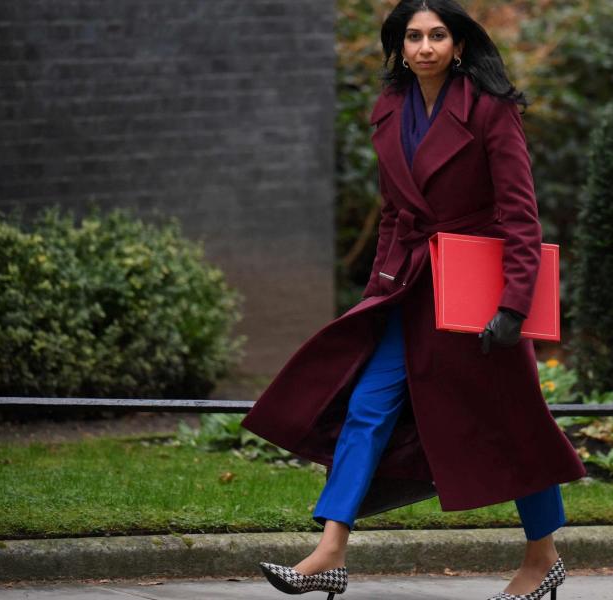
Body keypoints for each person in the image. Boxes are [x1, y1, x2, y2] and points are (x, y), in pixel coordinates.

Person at [243, 1, 587, 598]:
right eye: (413, 36)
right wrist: (380, 283)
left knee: (515, 422)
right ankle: (330, 548)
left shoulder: (491, 110)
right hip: (408, 289)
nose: (425, 47)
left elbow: (520, 216)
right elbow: (393, 214)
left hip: (478, 294)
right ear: (399, 47)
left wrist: (514, 304)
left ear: (458, 45)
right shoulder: (388, 110)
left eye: (437, 35)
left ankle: (543, 556)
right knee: (367, 407)